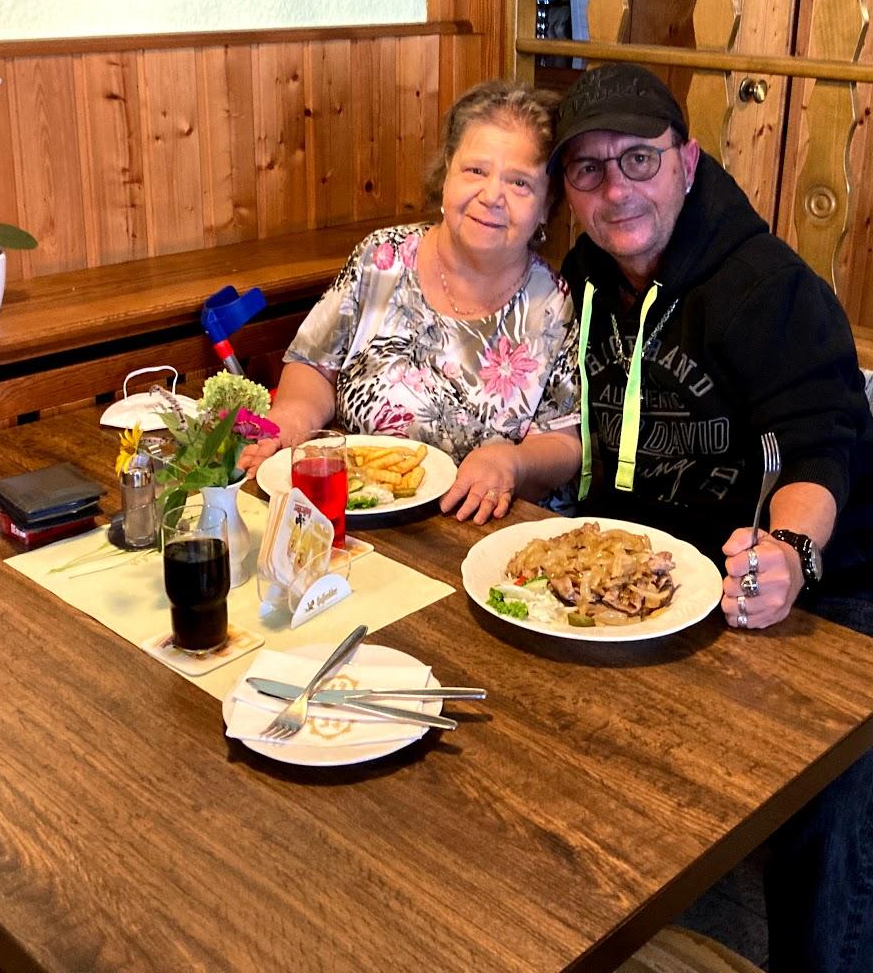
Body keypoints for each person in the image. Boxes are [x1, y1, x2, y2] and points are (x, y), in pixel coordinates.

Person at [553, 61, 873, 973]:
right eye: (589, 168)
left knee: (831, 780)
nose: (617, 189)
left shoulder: (767, 289)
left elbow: (823, 450)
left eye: (640, 159)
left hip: (826, 580)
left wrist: (792, 554)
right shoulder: (585, 278)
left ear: (688, 160)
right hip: (667, 577)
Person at [238, 79, 582, 523]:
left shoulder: (554, 304)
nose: (492, 196)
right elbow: (314, 366)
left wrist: (509, 462)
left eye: (519, 182)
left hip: (479, 527)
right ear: (446, 177)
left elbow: (563, 443)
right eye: (475, 171)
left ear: (545, 206)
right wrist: (292, 419)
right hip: (357, 512)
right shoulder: (380, 259)